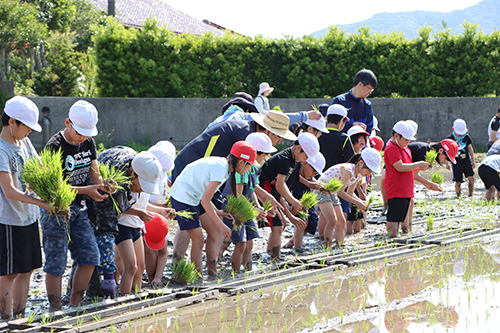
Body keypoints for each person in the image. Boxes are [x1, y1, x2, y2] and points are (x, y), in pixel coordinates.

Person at [170, 111, 305, 264]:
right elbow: (238, 184)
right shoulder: (246, 140)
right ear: (268, 131)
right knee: (189, 217)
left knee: (213, 222)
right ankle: (178, 261)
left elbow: (246, 179)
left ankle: (210, 263)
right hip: (192, 171)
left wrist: (265, 196)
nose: (278, 141)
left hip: (211, 175)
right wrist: (256, 204)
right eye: (278, 136)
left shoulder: (250, 138)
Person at [41, 100, 108, 308]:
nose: (83, 137)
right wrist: (87, 191)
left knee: (90, 257)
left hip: (79, 209)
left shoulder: (89, 142)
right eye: (80, 132)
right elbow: (55, 188)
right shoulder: (54, 146)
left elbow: (94, 176)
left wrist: (103, 187)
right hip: (56, 210)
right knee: (56, 263)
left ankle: (74, 305)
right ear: (67, 123)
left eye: (87, 133)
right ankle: (55, 309)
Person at [169, 141, 257, 277]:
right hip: (183, 198)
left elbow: (205, 198)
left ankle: (212, 271)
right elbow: (205, 201)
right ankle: (198, 277)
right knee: (198, 240)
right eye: (249, 166)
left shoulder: (224, 168)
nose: (249, 170)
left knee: (214, 231)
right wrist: (221, 224)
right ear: (241, 162)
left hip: (195, 197)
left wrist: (218, 212)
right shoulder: (220, 170)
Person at [0, 96, 52, 320]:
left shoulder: (25, 143)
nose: (30, 132)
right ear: (12, 122)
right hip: (11, 220)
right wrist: (42, 203)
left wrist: (54, 188)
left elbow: (40, 169)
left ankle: (20, 315)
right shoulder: (1, 151)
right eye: (27, 127)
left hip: (30, 217)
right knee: (9, 272)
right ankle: (6, 317)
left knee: (27, 268)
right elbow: (10, 191)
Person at [96, 148, 173, 296]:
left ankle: (137, 296)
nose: (142, 189)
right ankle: (124, 299)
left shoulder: (142, 184)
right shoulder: (123, 181)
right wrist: (138, 212)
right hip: (124, 225)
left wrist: (161, 210)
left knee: (141, 267)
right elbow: (117, 207)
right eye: (141, 185)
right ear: (132, 173)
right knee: (130, 267)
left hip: (137, 226)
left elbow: (143, 205)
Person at [220, 133, 276, 272]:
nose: (264, 159)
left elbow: (251, 190)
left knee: (249, 243)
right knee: (240, 243)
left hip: (247, 208)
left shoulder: (253, 169)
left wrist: (257, 207)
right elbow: (237, 194)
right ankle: (236, 271)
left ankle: (248, 269)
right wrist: (253, 209)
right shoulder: (241, 169)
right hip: (235, 208)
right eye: (264, 156)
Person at [258, 132, 320, 259]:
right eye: (306, 155)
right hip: (264, 193)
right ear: (298, 148)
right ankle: (276, 258)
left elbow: (285, 185)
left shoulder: (293, 161)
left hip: (273, 193)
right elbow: (280, 186)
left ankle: (270, 252)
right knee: (278, 225)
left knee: (282, 224)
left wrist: (310, 184)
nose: (306, 159)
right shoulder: (285, 160)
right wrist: (292, 202)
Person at [315, 148, 381, 248]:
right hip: (322, 189)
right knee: (332, 220)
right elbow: (341, 192)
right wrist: (357, 203)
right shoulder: (348, 170)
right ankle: (328, 247)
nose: (369, 173)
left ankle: (339, 245)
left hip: (332, 193)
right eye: (369, 169)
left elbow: (350, 193)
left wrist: (361, 202)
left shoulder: (358, 175)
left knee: (341, 221)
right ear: (361, 163)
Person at [384, 121, 429, 238]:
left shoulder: (405, 148)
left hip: (405, 188)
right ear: (396, 136)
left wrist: (419, 167)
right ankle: (392, 239)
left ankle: (401, 237)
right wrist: (418, 164)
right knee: (394, 218)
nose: (408, 142)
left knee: (401, 216)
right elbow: (400, 167)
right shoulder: (391, 148)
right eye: (406, 140)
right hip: (396, 189)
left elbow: (408, 167)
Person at [317, 104, 355, 239]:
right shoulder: (343, 138)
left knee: (323, 212)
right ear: (342, 121)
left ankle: (322, 237)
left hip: (319, 180)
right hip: (338, 180)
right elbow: (350, 162)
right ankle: (339, 239)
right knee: (340, 213)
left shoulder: (318, 135)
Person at [144, 140, 176, 288]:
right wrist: (160, 207)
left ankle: (158, 278)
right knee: (150, 251)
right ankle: (151, 279)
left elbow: (162, 195)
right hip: (148, 218)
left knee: (162, 249)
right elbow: (143, 204)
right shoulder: (146, 174)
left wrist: (166, 203)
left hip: (161, 218)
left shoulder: (162, 175)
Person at [284, 153, 326, 250]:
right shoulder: (296, 167)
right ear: (305, 163)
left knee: (313, 221)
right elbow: (296, 176)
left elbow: (310, 177)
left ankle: (292, 241)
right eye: (313, 171)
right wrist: (309, 184)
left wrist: (318, 184)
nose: (313, 174)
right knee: (302, 221)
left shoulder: (308, 172)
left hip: (306, 194)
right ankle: (298, 248)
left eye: (316, 173)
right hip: (296, 194)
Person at [332, 68, 378, 134]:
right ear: (360, 84)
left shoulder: (368, 105)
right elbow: (333, 126)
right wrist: (352, 126)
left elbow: (369, 129)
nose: (370, 92)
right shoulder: (340, 101)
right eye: (369, 89)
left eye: (372, 90)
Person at [346, 125, 370, 234]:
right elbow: (353, 178)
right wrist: (360, 192)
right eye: (358, 137)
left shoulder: (362, 155)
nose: (362, 140)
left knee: (359, 217)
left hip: (359, 186)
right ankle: (348, 236)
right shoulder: (352, 157)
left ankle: (356, 237)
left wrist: (363, 190)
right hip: (352, 188)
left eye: (364, 138)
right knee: (351, 217)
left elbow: (362, 178)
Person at [447, 119, 475, 197]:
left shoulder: (466, 137)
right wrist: (447, 163)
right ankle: (458, 196)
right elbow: (447, 151)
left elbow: (470, 148)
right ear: (453, 129)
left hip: (466, 161)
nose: (460, 135)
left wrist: (473, 160)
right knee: (458, 181)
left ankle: (470, 195)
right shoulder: (450, 138)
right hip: (456, 163)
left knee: (471, 178)